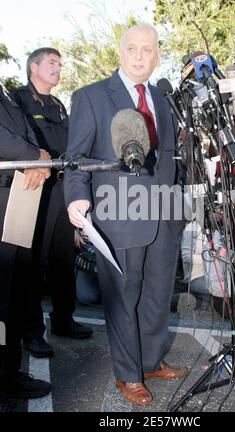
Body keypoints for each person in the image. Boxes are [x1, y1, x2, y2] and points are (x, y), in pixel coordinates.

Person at [64, 24, 187, 406]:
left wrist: (180, 207)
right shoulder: (91, 97)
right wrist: (76, 198)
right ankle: (129, 374)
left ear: (157, 55)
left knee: (156, 296)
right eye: (132, 48)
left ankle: (149, 361)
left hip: (164, 214)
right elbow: (76, 160)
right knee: (123, 298)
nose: (139, 56)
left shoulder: (164, 99)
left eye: (147, 50)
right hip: (118, 217)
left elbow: (171, 161)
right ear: (121, 51)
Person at [10, 47, 92, 359]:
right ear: (33, 67)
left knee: (64, 258)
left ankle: (63, 319)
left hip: (60, 188)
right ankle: (31, 332)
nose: (58, 67)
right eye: (52, 62)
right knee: (32, 263)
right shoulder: (18, 100)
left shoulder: (58, 104)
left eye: (60, 63)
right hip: (33, 188)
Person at [0, 85, 51, 402]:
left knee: (13, 294)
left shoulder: (5, 92)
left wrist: (38, 161)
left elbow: (24, 132)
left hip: (16, 195)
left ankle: (7, 373)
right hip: (3, 197)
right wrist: (35, 157)